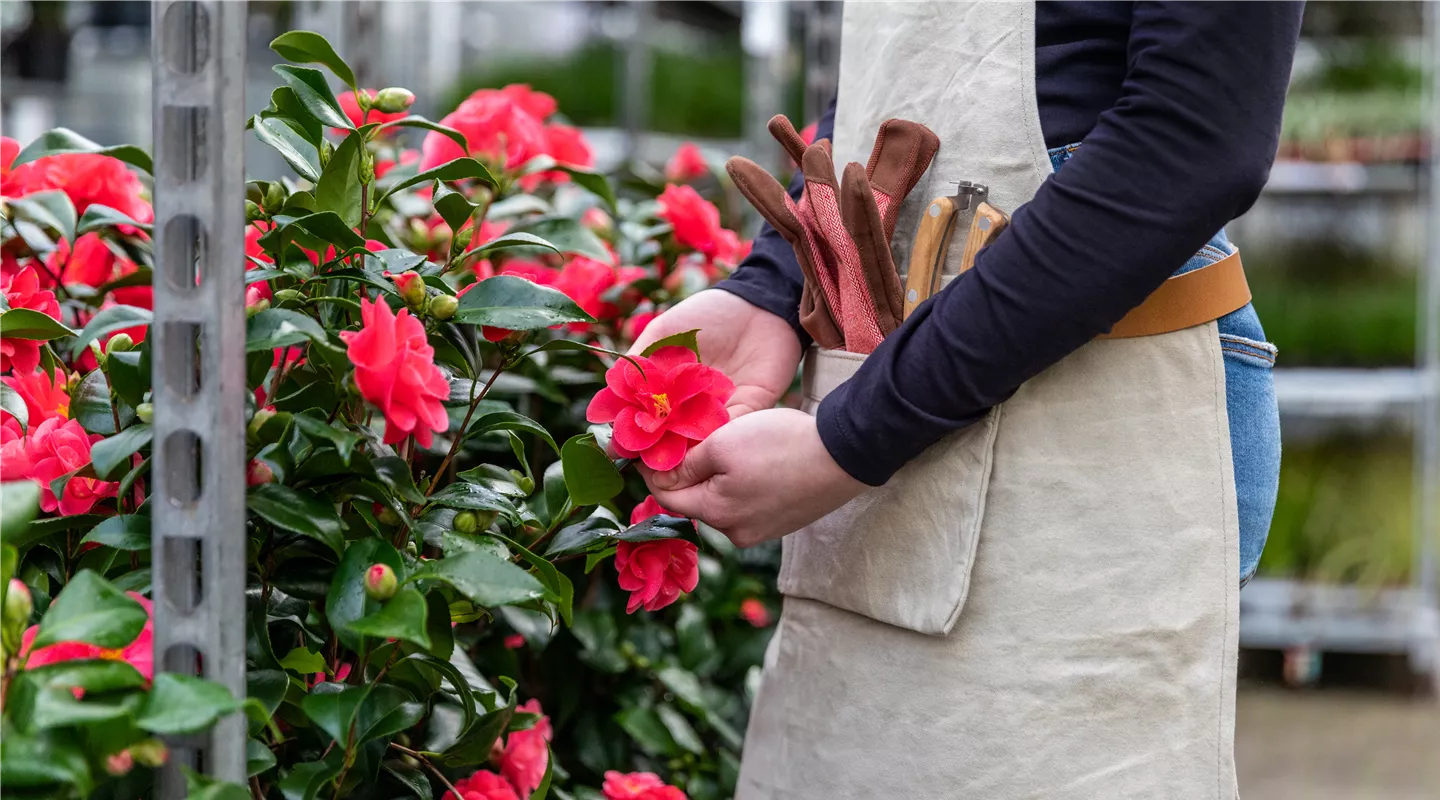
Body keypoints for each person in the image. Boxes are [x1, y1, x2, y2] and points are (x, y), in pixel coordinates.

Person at [632, 1, 1302, 796]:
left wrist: (856, 434)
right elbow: (913, 57)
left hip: (1087, 393)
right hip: (909, 382)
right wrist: (772, 287)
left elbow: (1191, 140)